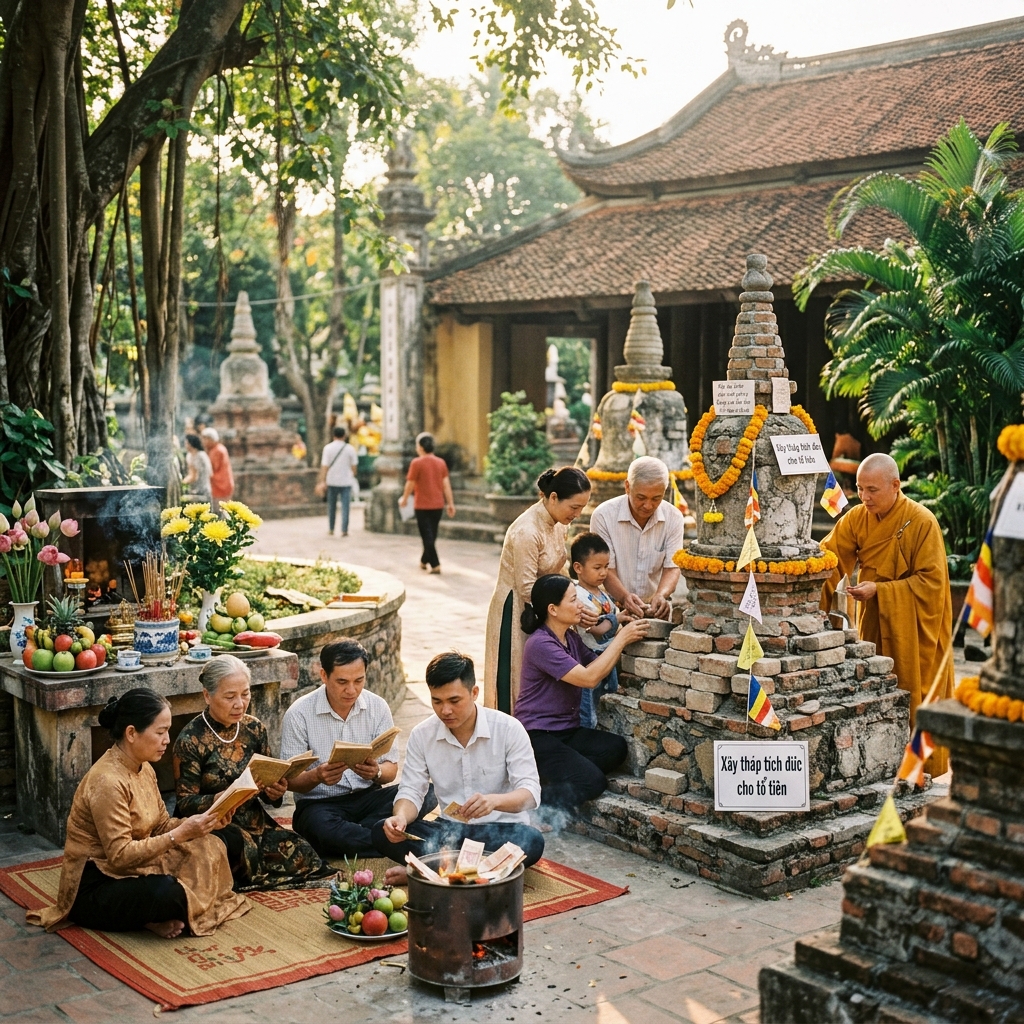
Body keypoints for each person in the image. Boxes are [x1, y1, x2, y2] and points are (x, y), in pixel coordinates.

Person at [28, 689, 249, 938]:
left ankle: (158, 915)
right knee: (167, 892)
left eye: (167, 731)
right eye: (160, 732)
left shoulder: (144, 768)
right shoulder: (107, 781)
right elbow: (120, 857)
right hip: (97, 883)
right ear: (131, 733)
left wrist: (205, 823)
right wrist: (181, 835)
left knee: (225, 839)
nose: (167, 739)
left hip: (137, 865)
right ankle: (150, 917)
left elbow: (161, 825)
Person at [820, 452, 954, 775]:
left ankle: (920, 772)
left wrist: (880, 590)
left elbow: (932, 584)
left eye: (872, 490)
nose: (864, 497)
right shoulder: (857, 519)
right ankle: (883, 767)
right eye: (860, 489)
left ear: (895, 486)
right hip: (876, 625)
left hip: (917, 631)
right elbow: (830, 558)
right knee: (879, 692)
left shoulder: (922, 522)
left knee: (916, 697)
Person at [372, 651, 544, 882]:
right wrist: (401, 818)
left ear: (474, 693)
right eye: (437, 701)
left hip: (500, 830)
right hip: (450, 831)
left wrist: (494, 801)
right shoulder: (422, 734)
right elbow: (412, 790)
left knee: (532, 841)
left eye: (454, 701)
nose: (445, 711)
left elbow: (530, 793)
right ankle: (465, 872)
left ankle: (428, 871)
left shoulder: (508, 728)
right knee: (381, 831)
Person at [173, 657, 332, 891]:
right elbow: (184, 803)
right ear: (207, 695)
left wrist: (275, 791)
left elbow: (269, 794)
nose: (240, 704)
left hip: (254, 822)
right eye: (230, 697)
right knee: (239, 853)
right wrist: (218, 799)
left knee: (302, 853)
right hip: (215, 826)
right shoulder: (190, 740)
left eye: (245, 694)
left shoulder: (254, 728)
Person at [280, 640, 436, 857]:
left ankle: (365, 837)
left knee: (428, 791)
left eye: (359, 680)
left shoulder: (377, 707)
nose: (351, 690)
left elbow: (390, 769)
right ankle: (392, 837)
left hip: (369, 798)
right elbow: (290, 781)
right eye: (342, 681)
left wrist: (376, 773)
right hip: (321, 805)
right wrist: (317, 776)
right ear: (324, 676)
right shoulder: (299, 714)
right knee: (321, 828)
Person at [515, 574, 649, 814]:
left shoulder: (570, 637)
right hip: (538, 736)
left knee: (616, 747)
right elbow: (589, 678)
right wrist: (621, 639)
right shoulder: (540, 644)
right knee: (593, 781)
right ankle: (534, 803)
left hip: (567, 731)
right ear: (553, 609)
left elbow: (598, 665)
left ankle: (559, 773)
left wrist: (617, 625)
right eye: (574, 600)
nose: (581, 606)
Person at [484, 466, 593, 714]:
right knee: (515, 677)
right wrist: (565, 608)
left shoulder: (558, 523)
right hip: (518, 609)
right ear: (553, 497)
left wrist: (579, 600)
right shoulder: (527, 531)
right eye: (574, 507)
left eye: (582, 508)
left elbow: (560, 571)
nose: (577, 514)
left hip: (549, 604)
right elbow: (526, 588)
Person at [590, 456, 685, 620]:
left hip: (654, 609)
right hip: (610, 608)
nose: (648, 505)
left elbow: (673, 566)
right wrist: (625, 597)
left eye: (656, 498)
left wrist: (661, 595)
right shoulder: (603, 516)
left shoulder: (674, 517)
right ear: (627, 487)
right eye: (641, 497)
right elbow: (606, 569)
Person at [571, 532, 622, 729]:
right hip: (591, 658)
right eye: (597, 567)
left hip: (607, 658)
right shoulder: (578, 597)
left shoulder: (602, 594)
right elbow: (597, 630)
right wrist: (618, 619)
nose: (603, 573)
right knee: (588, 710)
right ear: (578, 567)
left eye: (606, 567)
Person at [399, 432, 456, 573]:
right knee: (431, 535)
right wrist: (450, 503)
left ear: (420, 447)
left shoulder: (416, 463)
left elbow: (410, 484)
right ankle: (424, 560)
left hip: (422, 505)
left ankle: (435, 564)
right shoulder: (441, 463)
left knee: (427, 536)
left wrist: (405, 498)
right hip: (438, 505)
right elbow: (446, 485)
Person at [316, 425, 360, 537]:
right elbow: (354, 467)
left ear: (333, 435)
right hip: (346, 481)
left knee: (332, 507)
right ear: (344, 436)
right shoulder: (350, 448)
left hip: (332, 481)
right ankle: (344, 530)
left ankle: (331, 528)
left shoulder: (328, 448)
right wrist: (351, 474)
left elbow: (324, 466)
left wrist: (322, 481)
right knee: (346, 507)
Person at [201, 428, 234, 512]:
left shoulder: (217, 451)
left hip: (220, 485)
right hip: (221, 485)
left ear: (211, 439)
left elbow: (212, 468)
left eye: (205, 438)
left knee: (219, 512)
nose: (203, 441)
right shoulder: (217, 449)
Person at [183, 433, 213, 499]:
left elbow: (194, 476)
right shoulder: (189, 456)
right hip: (194, 490)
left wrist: (182, 483)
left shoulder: (201, 456)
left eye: (186, 443)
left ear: (191, 444)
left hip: (203, 489)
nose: (185, 445)